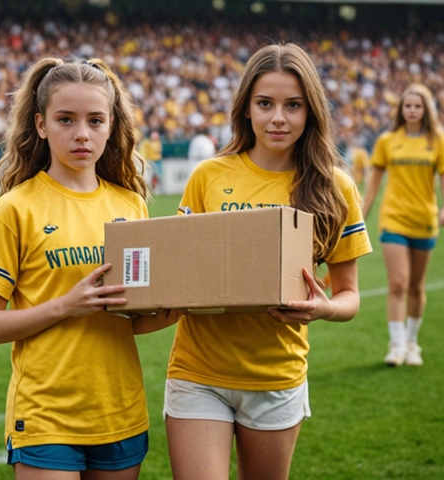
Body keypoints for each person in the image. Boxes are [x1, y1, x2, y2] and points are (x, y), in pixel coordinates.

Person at [0, 57, 181, 480]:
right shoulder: (16, 208)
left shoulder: (130, 205)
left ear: (111, 125)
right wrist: (65, 305)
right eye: (66, 119)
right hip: (47, 415)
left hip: (119, 409)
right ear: (41, 124)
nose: (82, 133)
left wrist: (171, 311)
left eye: (95, 120)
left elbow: (124, 318)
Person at [164, 43, 372, 480]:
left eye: (293, 105)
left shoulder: (336, 187)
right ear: (246, 109)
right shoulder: (209, 175)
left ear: (311, 112)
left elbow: (349, 295)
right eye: (265, 104)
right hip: (198, 372)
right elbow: (178, 269)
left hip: (277, 378)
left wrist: (324, 309)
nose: (278, 117)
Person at [362, 83, 444, 367]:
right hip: (393, 220)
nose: (412, 110)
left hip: (424, 221)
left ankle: (412, 343)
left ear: (426, 110)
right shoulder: (387, 140)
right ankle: (396, 346)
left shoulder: (437, 140)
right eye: (407, 106)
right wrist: (361, 213)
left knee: (417, 288)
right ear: (401, 109)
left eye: (417, 106)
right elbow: (373, 182)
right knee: (398, 283)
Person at [138, 130, 163, 194]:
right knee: (150, 177)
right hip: (150, 161)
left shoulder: (156, 143)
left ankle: (156, 189)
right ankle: (152, 190)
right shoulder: (147, 143)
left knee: (157, 176)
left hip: (155, 161)